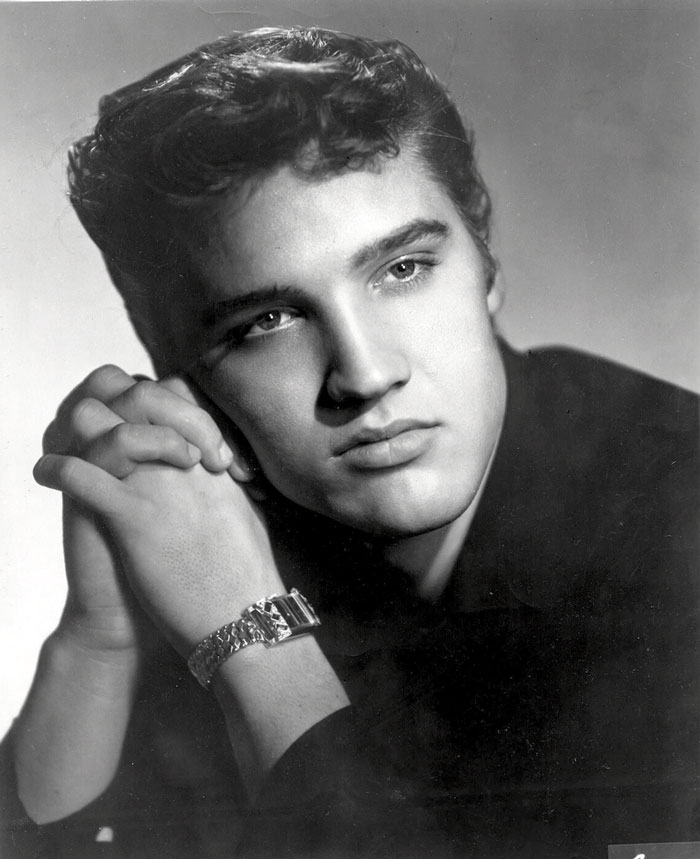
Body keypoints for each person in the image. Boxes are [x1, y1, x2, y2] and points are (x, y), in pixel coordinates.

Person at [1, 25, 698, 859]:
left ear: (484, 258)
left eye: (401, 269)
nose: (364, 375)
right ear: (171, 364)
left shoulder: (675, 515)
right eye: (270, 321)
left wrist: (257, 644)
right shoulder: (220, 530)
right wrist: (97, 634)